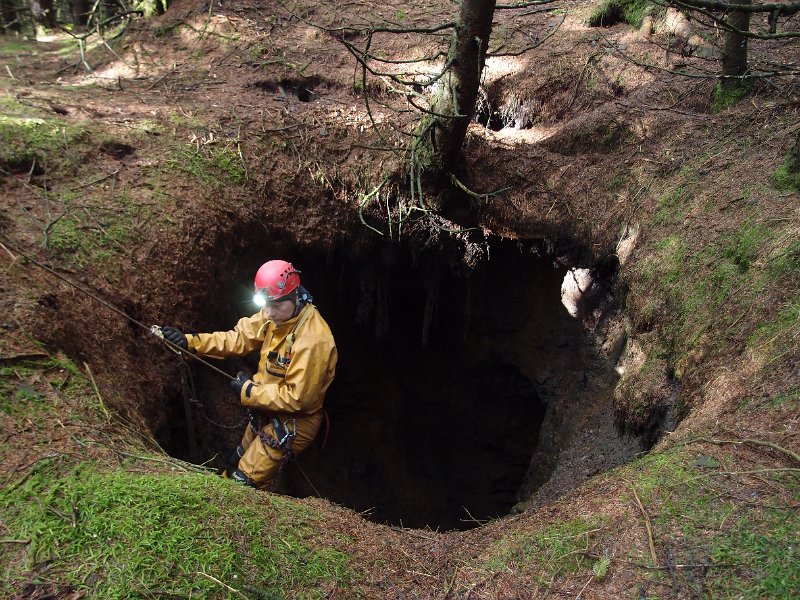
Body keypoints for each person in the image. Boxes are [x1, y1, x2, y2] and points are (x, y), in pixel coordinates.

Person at [161, 260, 337, 489]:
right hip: (264, 408)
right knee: (235, 461)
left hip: (293, 422)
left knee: (244, 483)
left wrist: (249, 392)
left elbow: (297, 399)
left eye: (275, 306)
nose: (269, 313)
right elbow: (237, 339)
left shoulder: (313, 341)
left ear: (294, 296)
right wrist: (190, 342)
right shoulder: (274, 315)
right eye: (265, 305)